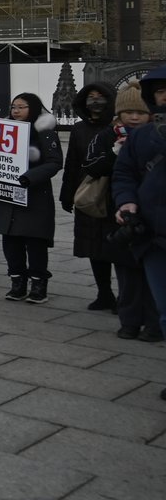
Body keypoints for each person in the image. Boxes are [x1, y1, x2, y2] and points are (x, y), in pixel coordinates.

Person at [85, 86, 159, 341]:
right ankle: (129, 321)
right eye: (128, 112)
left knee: (153, 277)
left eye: (140, 112)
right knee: (126, 276)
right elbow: (92, 166)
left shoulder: (156, 136)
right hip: (117, 214)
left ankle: (153, 323)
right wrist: (114, 153)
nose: (134, 117)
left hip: (152, 216)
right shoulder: (108, 135)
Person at [112, 63, 166, 400]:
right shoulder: (144, 135)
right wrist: (127, 202)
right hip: (153, 238)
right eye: (161, 92)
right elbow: (125, 173)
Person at [0, 92, 61, 304]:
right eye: (14, 106)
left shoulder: (45, 131)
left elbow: (54, 162)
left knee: (35, 242)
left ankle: (38, 284)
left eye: (22, 107)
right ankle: (17, 282)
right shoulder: (4, 130)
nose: (16, 111)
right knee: (10, 240)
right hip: (8, 195)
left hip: (35, 195)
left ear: (32, 108)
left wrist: (28, 178)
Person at [59, 83, 118, 311]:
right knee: (94, 246)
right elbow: (72, 162)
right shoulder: (79, 129)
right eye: (90, 97)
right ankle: (104, 293)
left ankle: (126, 296)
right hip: (88, 192)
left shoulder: (118, 126)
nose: (95, 101)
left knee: (118, 247)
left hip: (115, 192)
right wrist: (67, 194)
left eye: (100, 97)